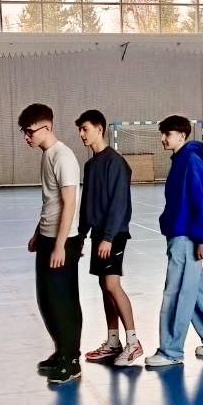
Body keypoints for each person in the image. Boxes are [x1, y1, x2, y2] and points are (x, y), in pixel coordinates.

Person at [146, 114, 203, 367]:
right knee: (196, 290)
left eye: (167, 134)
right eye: (162, 134)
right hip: (178, 233)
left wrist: (201, 237)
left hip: (186, 236)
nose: (163, 139)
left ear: (181, 136)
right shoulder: (180, 160)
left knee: (176, 293)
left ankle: (170, 351)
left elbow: (201, 200)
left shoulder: (190, 162)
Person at [19, 103, 83, 386]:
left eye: (30, 131)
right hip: (48, 237)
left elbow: (70, 203)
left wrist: (60, 246)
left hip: (63, 241)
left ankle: (71, 360)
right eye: (24, 132)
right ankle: (61, 352)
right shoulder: (47, 155)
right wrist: (38, 233)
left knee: (63, 301)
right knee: (47, 300)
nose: (27, 137)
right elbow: (51, 202)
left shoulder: (63, 156)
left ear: (47, 128)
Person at [75, 109, 143, 367]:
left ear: (99, 129)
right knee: (104, 286)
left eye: (85, 129)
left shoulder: (116, 163)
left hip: (113, 235)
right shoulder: (90, 165)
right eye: (80, 130)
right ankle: (113, 341)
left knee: (112, 285)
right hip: (98, 235)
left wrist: (108, 237)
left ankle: (133, 343)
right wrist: (81, 235)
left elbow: (119, 203)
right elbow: (87, 204)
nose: (82, 134)